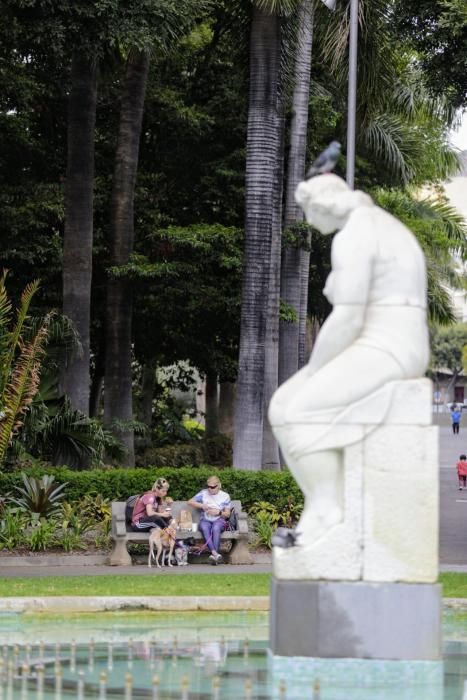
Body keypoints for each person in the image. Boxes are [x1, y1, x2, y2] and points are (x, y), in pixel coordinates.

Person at [269, 174, 430, 543]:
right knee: (281, 405)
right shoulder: (381, 226)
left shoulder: (356, 234)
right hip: (384, 342)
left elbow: (348, 317)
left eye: (308, 211)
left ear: (324, 204)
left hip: (388, 345)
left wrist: (315, 370)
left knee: (299, 411)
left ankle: (329, 513)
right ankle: (322, 504)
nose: (309, 222)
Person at [188, 476, 231, 564]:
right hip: (205, 519)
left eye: (213, 487)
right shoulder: (204, 493)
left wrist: (218, 512)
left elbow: (227, 514)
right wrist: (202, 506)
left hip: (219, 520)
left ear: (218, 486)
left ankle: (214, 555)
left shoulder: (225, 496)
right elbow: (190, 501)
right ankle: (215, 554)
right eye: (208, 486)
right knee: (204, 527)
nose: (210, 489)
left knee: (215, 528)